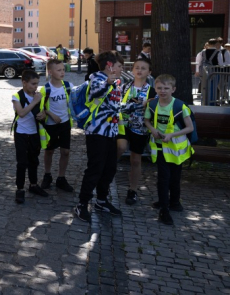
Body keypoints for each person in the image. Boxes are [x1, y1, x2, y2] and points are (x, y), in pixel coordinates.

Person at [74, 51, 124, 222]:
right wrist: (107, 84)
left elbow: (115, 106)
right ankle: (82, 203)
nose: (121, 68)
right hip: (97, 131)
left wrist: (131, 108)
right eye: (118, 65)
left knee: (109, 168)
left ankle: (101, 201)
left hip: (111, 131)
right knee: (95, 168)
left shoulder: (116, 81)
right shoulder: (97, 78)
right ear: (110, 65)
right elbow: (95, 94)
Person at [144, 74, 194, 226]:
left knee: (175, 177)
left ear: (173, 89)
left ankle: (174, 202)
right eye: (159, 88)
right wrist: (152, 129)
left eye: (166, 88)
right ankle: (164, 209)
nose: (162, 91)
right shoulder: (152, 105)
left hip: (176, 149)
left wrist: (172, 134)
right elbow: (146, 120)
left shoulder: (180, 106)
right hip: (160, 148)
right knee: (163, 178)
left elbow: (189, 127)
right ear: (155, 88)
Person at [117, 57, 156, 206]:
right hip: (123, 124)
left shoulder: (152, 91)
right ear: (132, 70)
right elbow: (119, 105)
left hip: (140, 128)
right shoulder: (124, 87)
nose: (139, 70)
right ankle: (106, 178)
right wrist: (140, 104)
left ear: (149, 72)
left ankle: (132, 190)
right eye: (137, 67)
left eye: (143, 68)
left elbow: (153, 109)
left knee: (135, 160)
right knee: (119, 147)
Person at [11, 70, 50, 203]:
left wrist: (43, 115)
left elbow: (43, 111)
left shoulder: (38, 96)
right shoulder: (17, 96)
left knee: (34, 160)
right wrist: (34, 102)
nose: (35, 87)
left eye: (37, 84)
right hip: (21, 133)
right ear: (24, 83)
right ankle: (20, 189)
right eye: (33, 84)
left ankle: (33, 185)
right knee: (22, 162)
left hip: (35, 133)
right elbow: (21, 113)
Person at [39, 60, 74, 193]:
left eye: (63, 70)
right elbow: (41, 108)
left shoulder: (68, 86)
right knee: (49, 151)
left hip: (65, 124)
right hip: (51, 125)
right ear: (50, 72)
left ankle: (61, 177)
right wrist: (49, 113)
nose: (62, 72)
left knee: (65, 151)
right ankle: (47, 175)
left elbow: (73, 102)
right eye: (58, 70)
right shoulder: (45, 89)